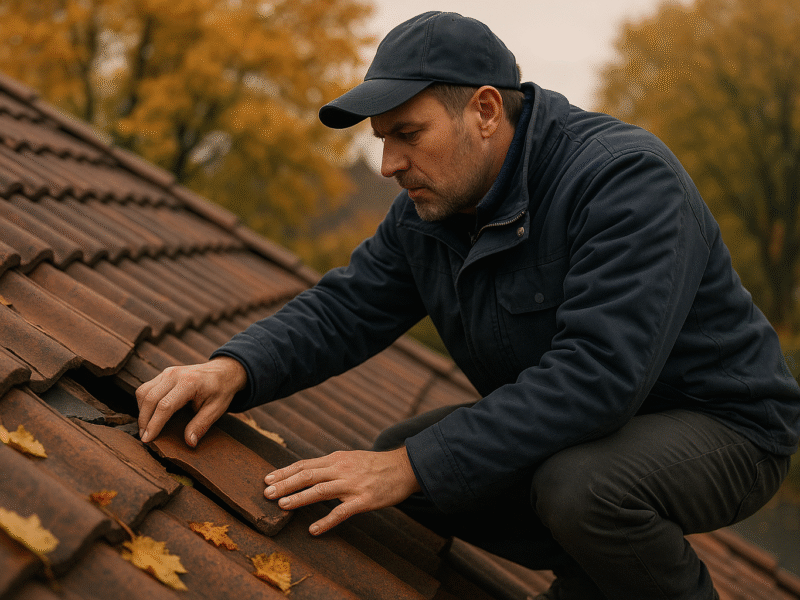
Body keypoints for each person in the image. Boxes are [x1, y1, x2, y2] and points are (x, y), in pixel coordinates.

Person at [136, 11, 800, 600]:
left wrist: (412, 468)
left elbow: (597, 375)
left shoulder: (623, 180)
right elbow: (346, 308)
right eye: (382, 139)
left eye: (408, 133)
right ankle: (595, 578)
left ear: (484, 111)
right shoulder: (433, 208)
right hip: (600, 427)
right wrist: (234, 369)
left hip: (726, 425)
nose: (389, 164)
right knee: (410, 459)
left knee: (575, 486)